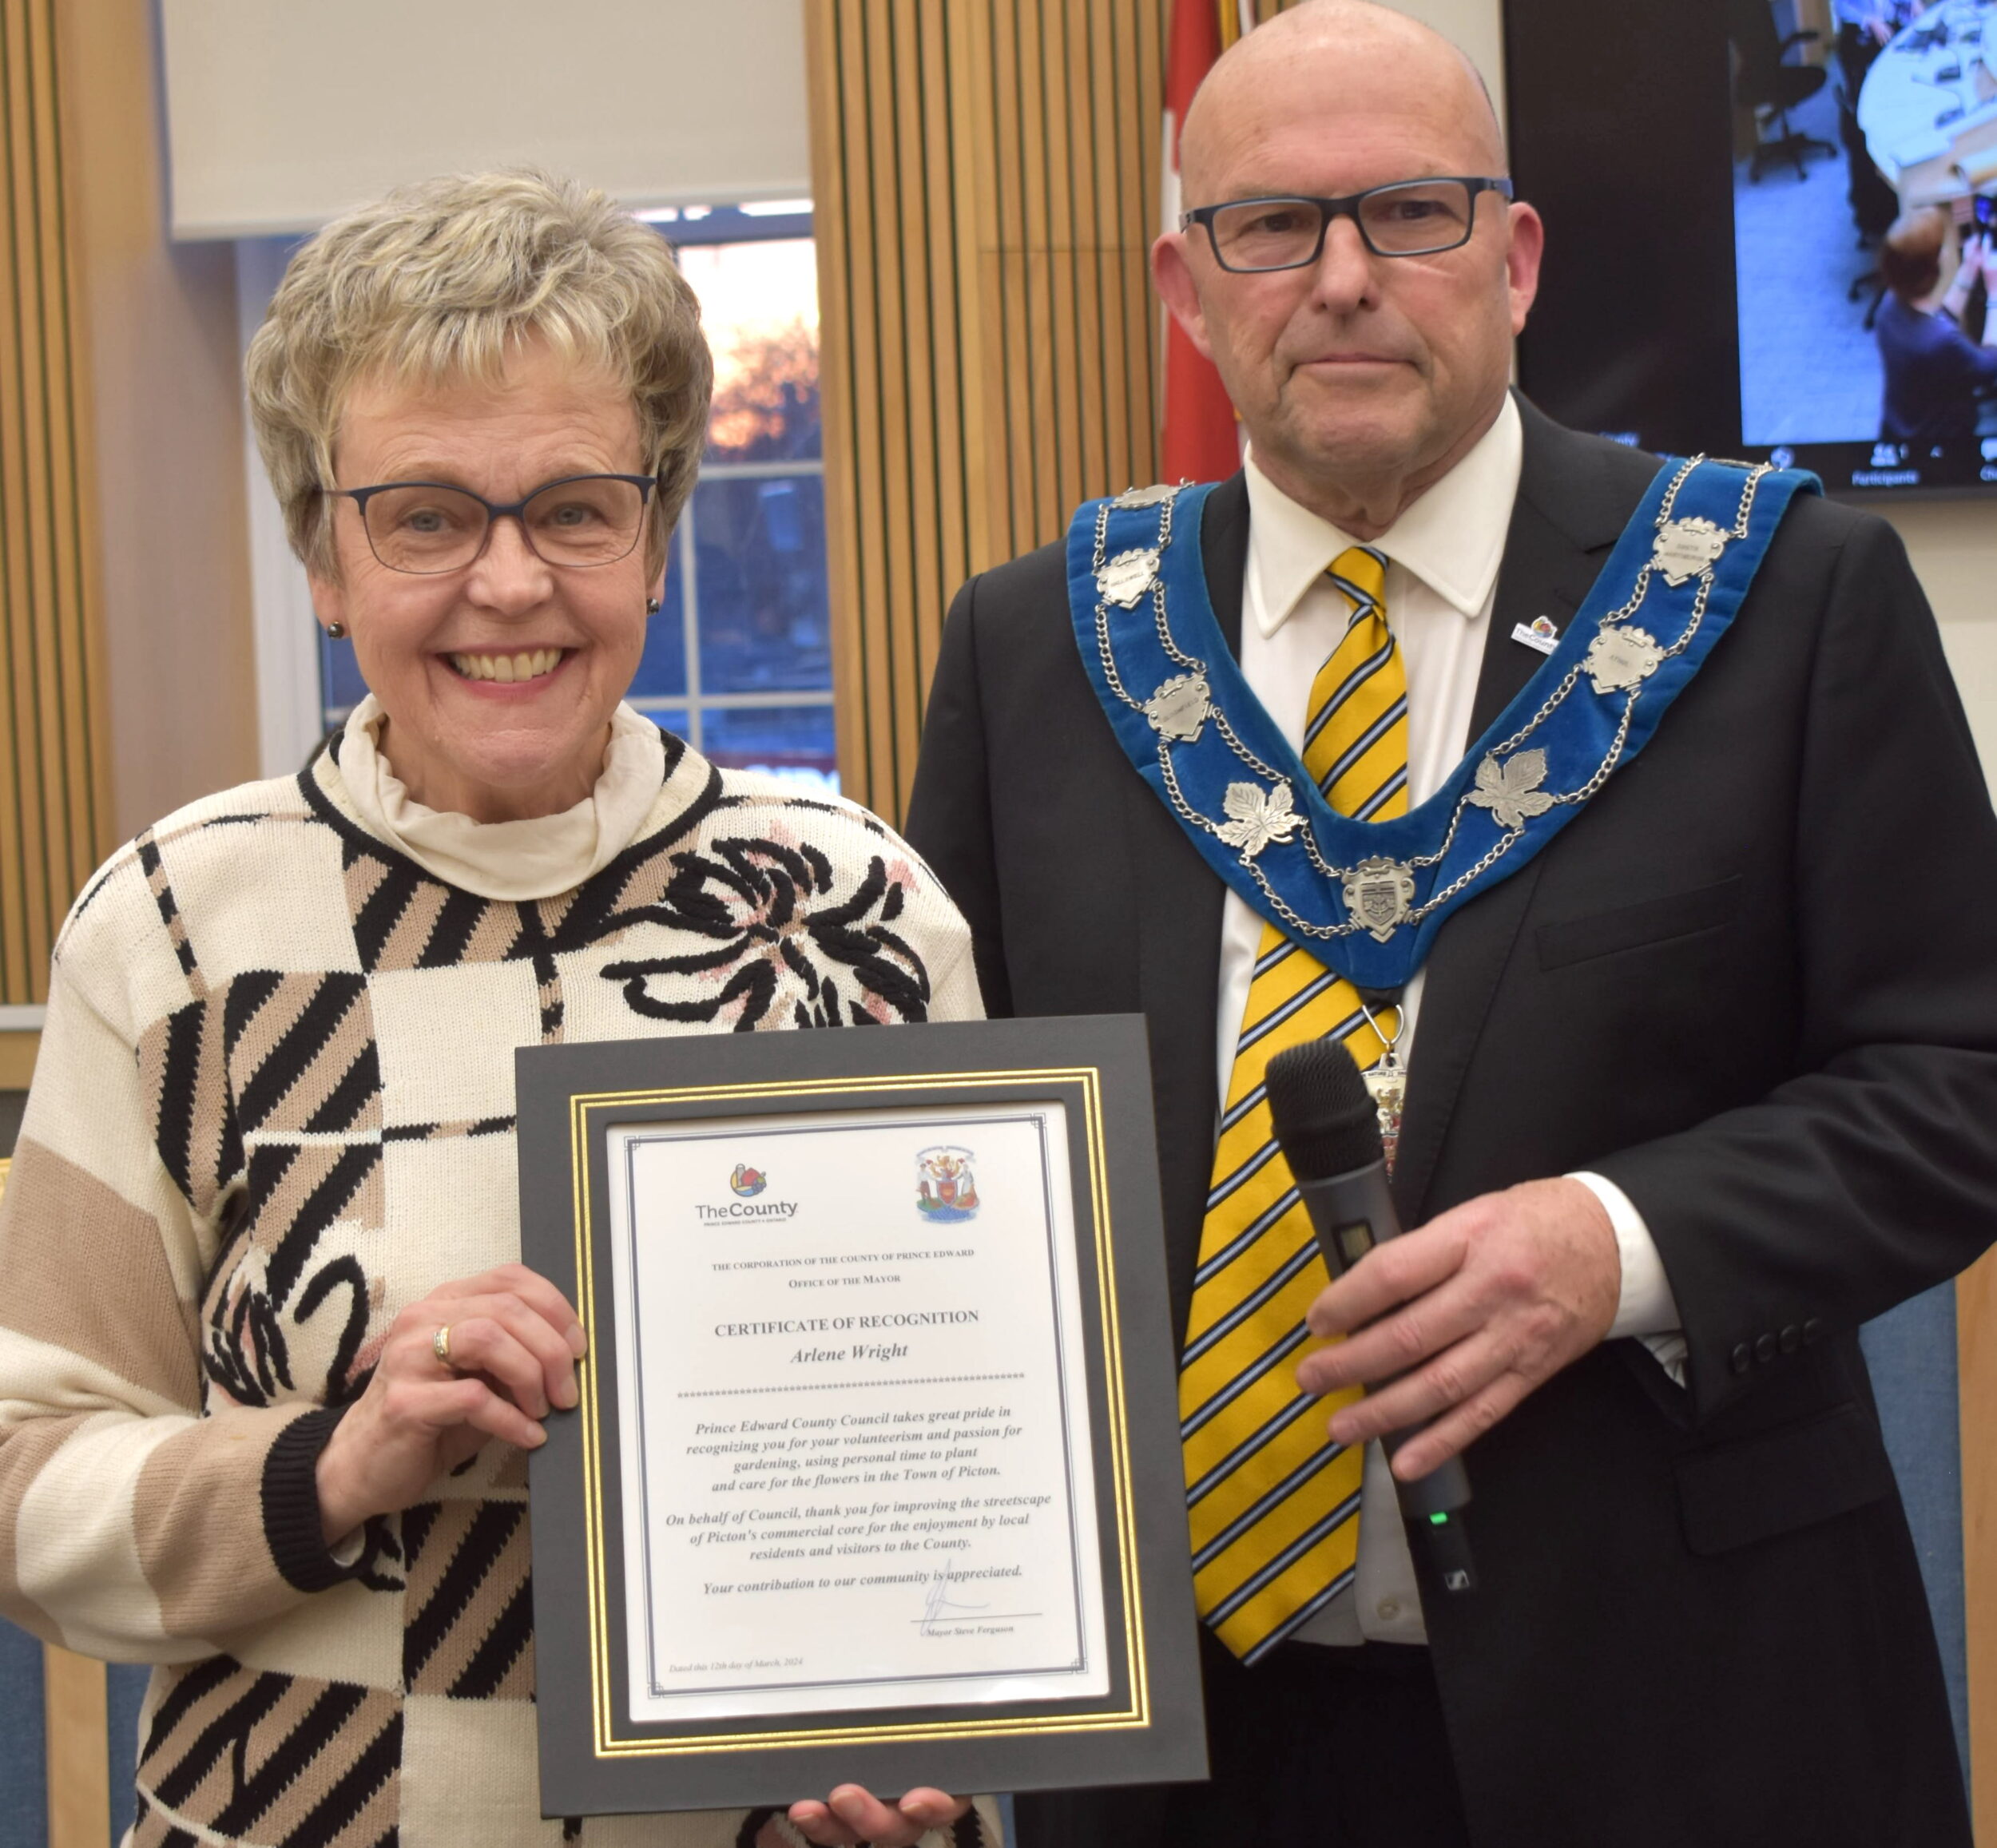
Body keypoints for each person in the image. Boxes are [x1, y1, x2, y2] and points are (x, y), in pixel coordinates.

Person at [905, 5, 1991, 1844]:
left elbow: (1961, 1082)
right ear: (1188, 285)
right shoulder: (1038, 649)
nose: (1341, 279)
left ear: (1518, 254)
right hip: (1177, 1744)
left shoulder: (1787, 595)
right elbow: (942, 1155)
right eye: (1271, 226)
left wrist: (1615, 1240)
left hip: (1687, 1707)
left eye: (1410, 213)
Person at [0, 172, 995, 1848]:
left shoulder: (856, 908)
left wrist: (932, 1742)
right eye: (427, 515)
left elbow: (976, 1446)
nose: (511, 582)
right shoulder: (174, 926)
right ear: (325, 558)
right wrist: (333, 1462)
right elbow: (29, 1486)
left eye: (576, 508)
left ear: (658, 534)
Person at [1876, 206, 1997, 443]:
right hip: (1935, 441)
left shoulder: (1889, 305)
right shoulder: (1942, 342)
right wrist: (1994, 294)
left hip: (1899, 426)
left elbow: (1938, 318)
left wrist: (1969, 270)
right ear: (1933, 266)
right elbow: (1988, 366)